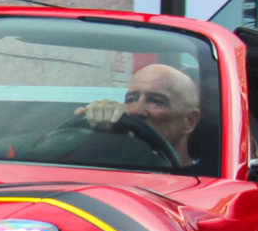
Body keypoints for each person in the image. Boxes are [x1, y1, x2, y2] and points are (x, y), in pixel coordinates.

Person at [72, 62, 201, 166]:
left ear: (189, 121)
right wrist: (101, 134)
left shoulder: (207, 183)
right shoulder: (110, 168)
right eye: (131, 99)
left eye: (156, 101)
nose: (135, 110)